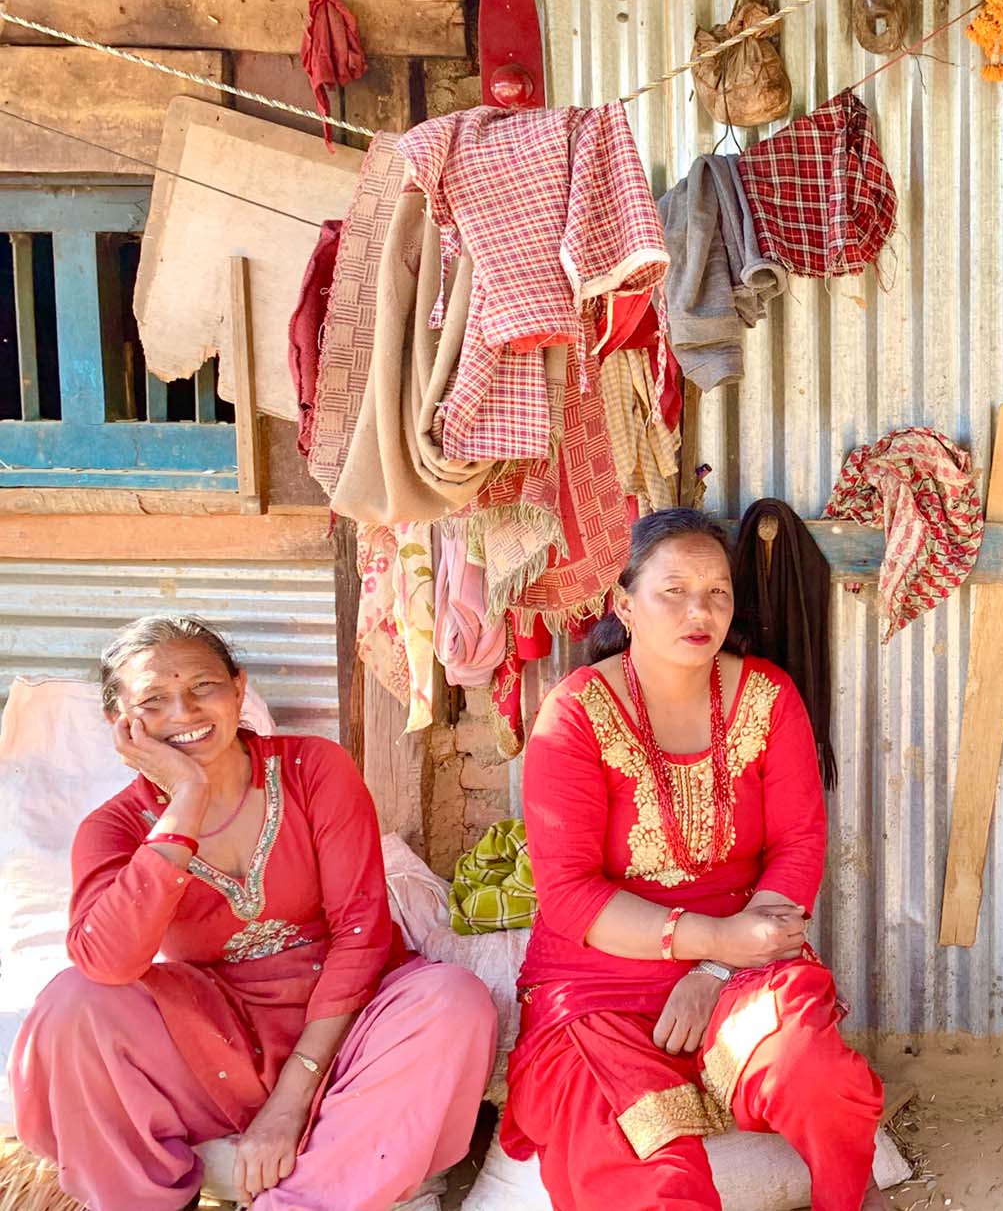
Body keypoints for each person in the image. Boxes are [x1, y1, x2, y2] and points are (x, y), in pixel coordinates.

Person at [3, 614, 496, 1211]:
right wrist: (185, 803)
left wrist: (290, 1102)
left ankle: (302, 1199)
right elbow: (107, 963)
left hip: (350, 1020)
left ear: (239, 689)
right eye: (154, 700)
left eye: (203, 687)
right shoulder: (112, 828)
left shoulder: (314, 770)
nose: (184, 712)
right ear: (120, 724)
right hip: (217, 1038)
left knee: (453, 998)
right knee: (71, 1006)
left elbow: (361, 936)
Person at [501, 508, 887, 1211]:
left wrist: (717, 967)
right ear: (625, 605)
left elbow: (798, 847)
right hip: (600, 981)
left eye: (717, 592)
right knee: (637, 1164)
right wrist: (710, 939)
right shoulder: (576, 713)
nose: (697, 610)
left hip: (746, 961)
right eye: (672, 591)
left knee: (817, 1079)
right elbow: (569, 896)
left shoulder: (768, 698)